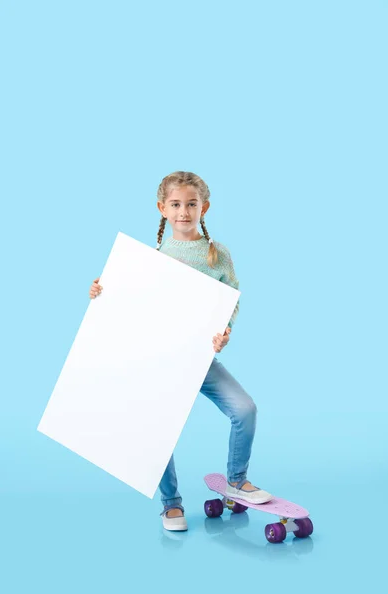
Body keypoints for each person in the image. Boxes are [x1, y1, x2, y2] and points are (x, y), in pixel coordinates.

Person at [89, 171, 273, 533]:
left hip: (200, 360)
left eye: (191, 204)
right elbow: (129, 304)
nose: (184, 211)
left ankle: (237, 481)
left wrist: (225, 333)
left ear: (204, 207)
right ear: (162, 209)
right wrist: (101, 291)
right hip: (159, 361)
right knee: (157, 431)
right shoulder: (149, 258)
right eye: (175, 204)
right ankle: (171, 503)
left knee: (245, 409)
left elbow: (230, 301)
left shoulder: (218, 254)